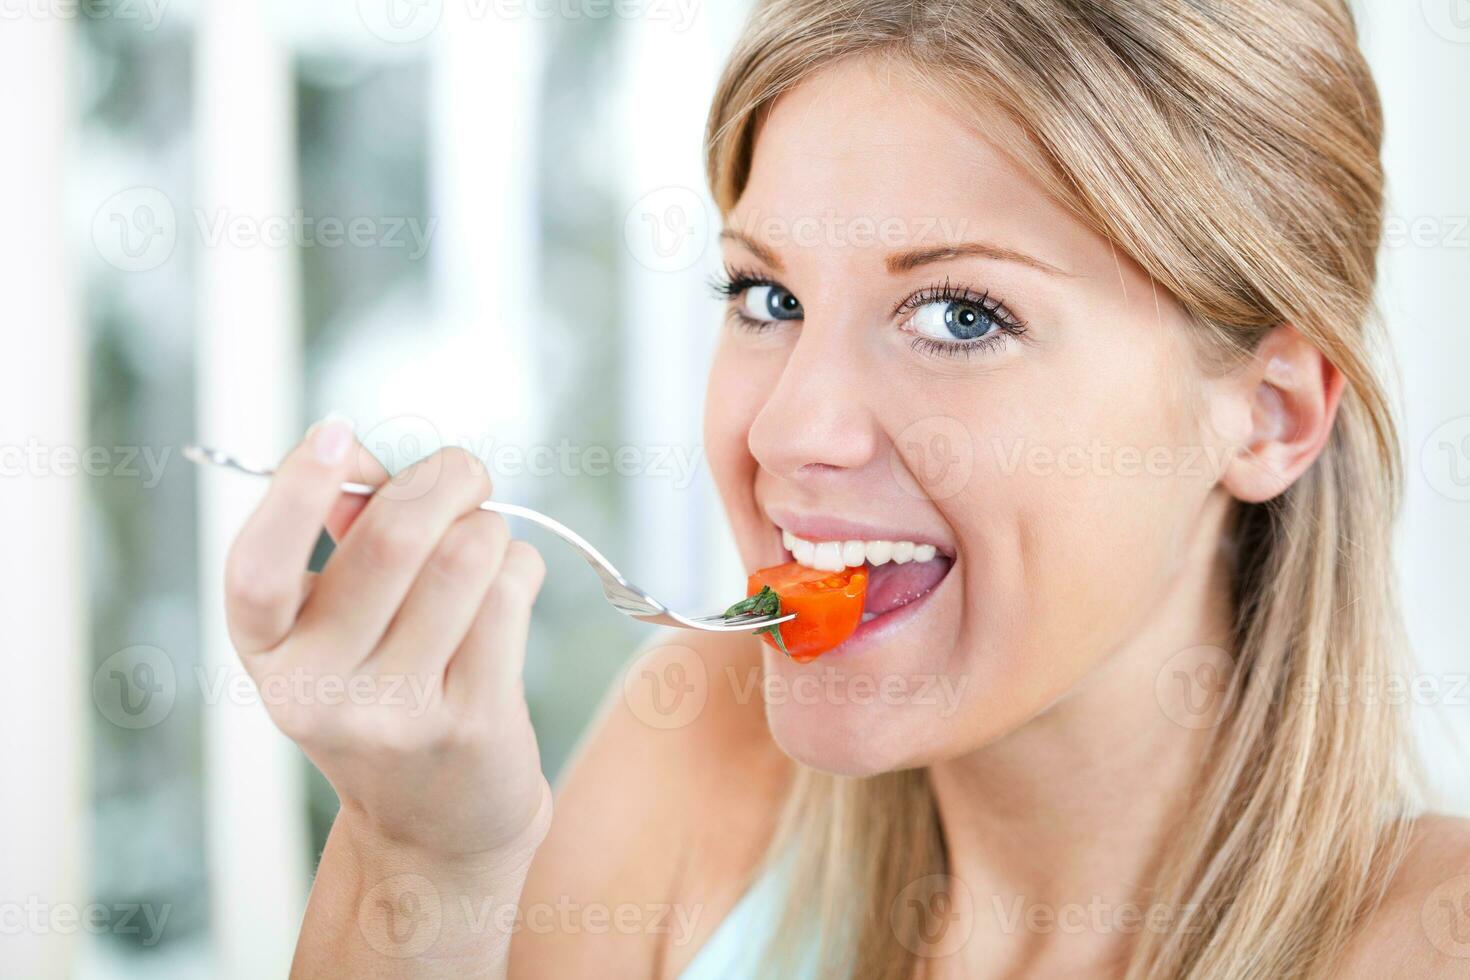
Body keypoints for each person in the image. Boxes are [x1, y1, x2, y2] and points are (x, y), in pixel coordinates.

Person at [221, 1, 1470, 976]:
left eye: (961, 313)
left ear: (1269, 413)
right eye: (767, 297)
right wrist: (422, 858)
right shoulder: (700, 751)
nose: (789, 429)